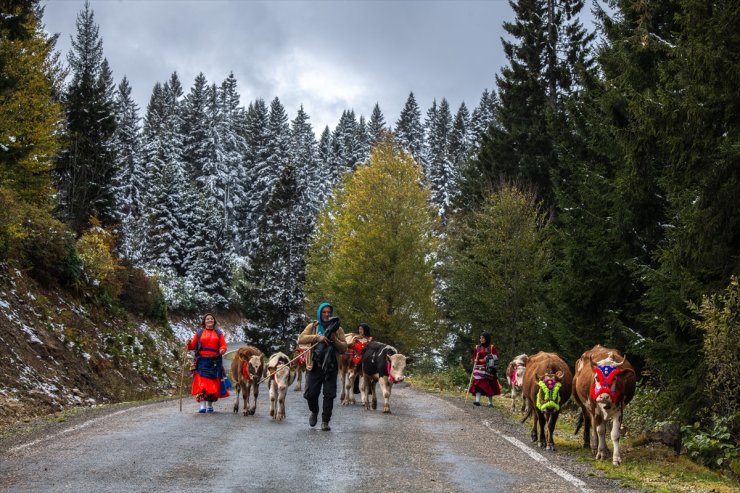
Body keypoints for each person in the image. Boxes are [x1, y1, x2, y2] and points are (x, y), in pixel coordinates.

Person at [298, 302, 347, 431]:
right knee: (311, 394)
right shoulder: (313, 326)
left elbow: (343, 348)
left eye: (329, 312)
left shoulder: (338, 329)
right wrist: (317, 338)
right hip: (315, 364)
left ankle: (325, 421)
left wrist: (334, 339)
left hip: (331, 365)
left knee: (329, 394)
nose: (327, 314)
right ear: (320, 313)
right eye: (324, 312)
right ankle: (314, 411)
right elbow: (301, 339)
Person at [187, 313, 229, 413]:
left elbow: (223, 345)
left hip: (215, 361)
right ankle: (202, 406)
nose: (210, 320)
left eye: (211, 319)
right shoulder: (199, 333)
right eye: (208, 319)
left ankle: (210, 404)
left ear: (214, 321)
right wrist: (188, 344)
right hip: (201, 361)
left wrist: (222, 350)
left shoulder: (219, 333)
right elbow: (192, 346)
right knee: (202, 384)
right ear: (204, 321)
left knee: (213, 383)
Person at [468, 332, 501, 407]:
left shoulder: (492, 347)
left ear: (487, 338)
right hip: (479, 369)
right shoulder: (477, 347)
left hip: (488, 369)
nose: (481, 339)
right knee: (478, 384)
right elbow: (474, 356)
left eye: (483, 338)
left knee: (489, 384)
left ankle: (490, 402)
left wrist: (487, 359)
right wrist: (475, 360)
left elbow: (496, 357)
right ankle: (477, 400)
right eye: (480, 338)